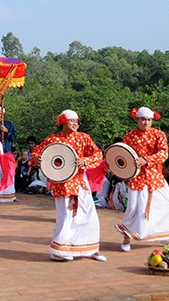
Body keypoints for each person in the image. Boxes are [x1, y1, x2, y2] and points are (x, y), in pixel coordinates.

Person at [31, 109, 106, 262]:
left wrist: (85, 161)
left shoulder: (84, 138)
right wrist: (37, 159)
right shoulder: (53, 139)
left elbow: (98, 155)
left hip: (80, 182)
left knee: (88, 214)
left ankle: (90, 248)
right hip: (62, 183)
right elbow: (37, 152)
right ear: (63, 121)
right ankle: (59, 250)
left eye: (77, 121)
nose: (75, 124)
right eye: (72, 121)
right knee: (65, 216)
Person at [115, 107, 169, 251]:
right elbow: (123, 155)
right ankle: (126, 238)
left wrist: (146, 160)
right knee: (133, 208)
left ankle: (165, 235)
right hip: (137, 177)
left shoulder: (159, 134)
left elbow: (164, 154)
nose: (146, 122)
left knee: (167, 205)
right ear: (137, 119)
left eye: (149, 120)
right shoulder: (129, 136)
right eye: (143, 119)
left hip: (155, 177)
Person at [0, 105, 17, 203]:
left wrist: (7, 132)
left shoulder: (9, 124)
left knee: (8, 172)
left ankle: (9, 195)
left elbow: (13, 137)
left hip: (6, 150)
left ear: (2, 113)